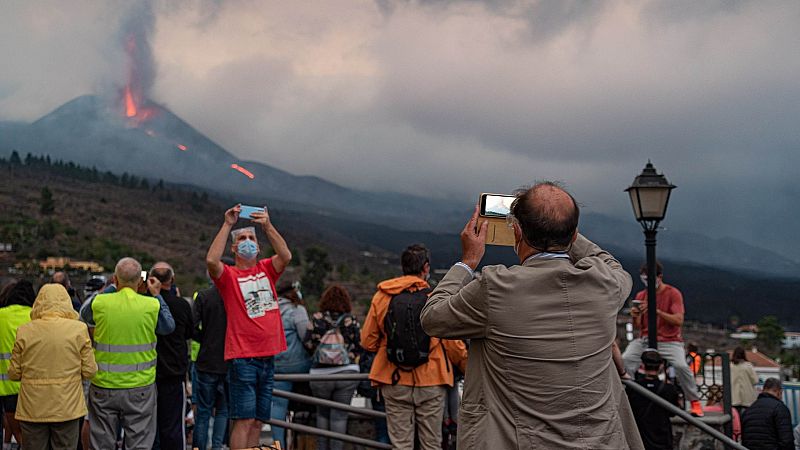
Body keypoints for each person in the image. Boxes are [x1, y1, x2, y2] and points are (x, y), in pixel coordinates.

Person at [420, 183, 643, 449]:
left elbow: (433, 317)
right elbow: (608, 262)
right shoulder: (607, 284)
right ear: (573, 235)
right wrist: (560, 225)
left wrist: (467, 262)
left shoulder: (496, 288)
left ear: (516, 230)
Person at [361, 244, 468, 450]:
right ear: (426, 268)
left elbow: (368, 341)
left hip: (393, 378)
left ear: (403, 266)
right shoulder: (434, 298)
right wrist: (468, 367)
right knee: (431, 444)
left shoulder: (383, 296)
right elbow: (453, 345)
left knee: (401, 444)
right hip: (431, 380)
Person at [205, 204, 292, 449]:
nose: (247, 241)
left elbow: (285, 256)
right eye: (242, 239)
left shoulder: (266, 269)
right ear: (234, 248)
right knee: (244, 420)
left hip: (268, 357)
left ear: (258, 245)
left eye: (251, 238)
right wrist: (227, 224)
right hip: (244, 357)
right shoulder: (229, 277)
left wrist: (266, 225)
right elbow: (212, 260)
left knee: (258, 421)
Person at [79, 257, 176, 450]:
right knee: (139, 443)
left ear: (115, 279)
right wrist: (156, 294)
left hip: (103, 385)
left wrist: (112, 288)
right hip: (140, 387)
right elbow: (168, 326)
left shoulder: (101, 302)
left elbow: (84, 313)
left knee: (102, 443)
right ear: (140, 281)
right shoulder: (151, 305)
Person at [7, 284, 97, 450]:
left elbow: (13, 373)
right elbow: (90, 371)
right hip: (67, 407)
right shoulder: (78, 330)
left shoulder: (24, 330)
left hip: (32, 409)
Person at [622, 261, 705, 417]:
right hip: (646, 338)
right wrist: (636, 315)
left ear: (659, 277)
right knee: (626, 359)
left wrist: (656, 310)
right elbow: (639, 327)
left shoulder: (673, 293)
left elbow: (678, 320)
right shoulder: (641, 295)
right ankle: (630, 395)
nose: (647, 283)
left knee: (681, 366)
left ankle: (694, 401)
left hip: (669, 340)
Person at [303, 285, 362, 450]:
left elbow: (307, 343)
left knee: (322, 414)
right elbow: (360, 344)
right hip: (347, 375)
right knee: (340, 416)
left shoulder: (316, 318)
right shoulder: (352, 320)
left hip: (320, 374)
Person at [192, 257, 235, 450]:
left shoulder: (203, 296)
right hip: (231, 361)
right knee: (223, 411)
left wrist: (205, 338)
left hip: (207, 361)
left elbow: (191, 326)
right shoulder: (236, 298)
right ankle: (218, 446)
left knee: (203, 413)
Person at [151, 262, 193, 450]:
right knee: (174, 427)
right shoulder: (182, 305)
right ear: (172, 279)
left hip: (147, 373)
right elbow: (189, 333)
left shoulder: (145, 304)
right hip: (174, 372)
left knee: (149, 428)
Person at [270, 278, 311, 449]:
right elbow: (305, 336)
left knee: (278, 405)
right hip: (299, 365)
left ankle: (279, 444)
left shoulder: (270, 309)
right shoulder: (297, 310)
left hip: (275, 365)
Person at [0, 280, 36, 448]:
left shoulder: (1, 315)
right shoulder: (35, 316)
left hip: (7, 387)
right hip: (33, 386)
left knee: (18, 432)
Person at [625, 350, 680, 450]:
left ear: (642, 365)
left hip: (640, 438)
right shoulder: (669, 389)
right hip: (662, 439)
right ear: (661, 366)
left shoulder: (633, 387)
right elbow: (673, 412)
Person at [741, 377, 794, 450]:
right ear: (779, 392)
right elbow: (787, 441)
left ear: (763, 390)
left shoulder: (748, 410)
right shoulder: (779, 408)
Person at [731, 346, 759, 414]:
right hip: (747, 399)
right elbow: (755, 381)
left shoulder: (730, 366)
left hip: (733, 398)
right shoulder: (748, 366)